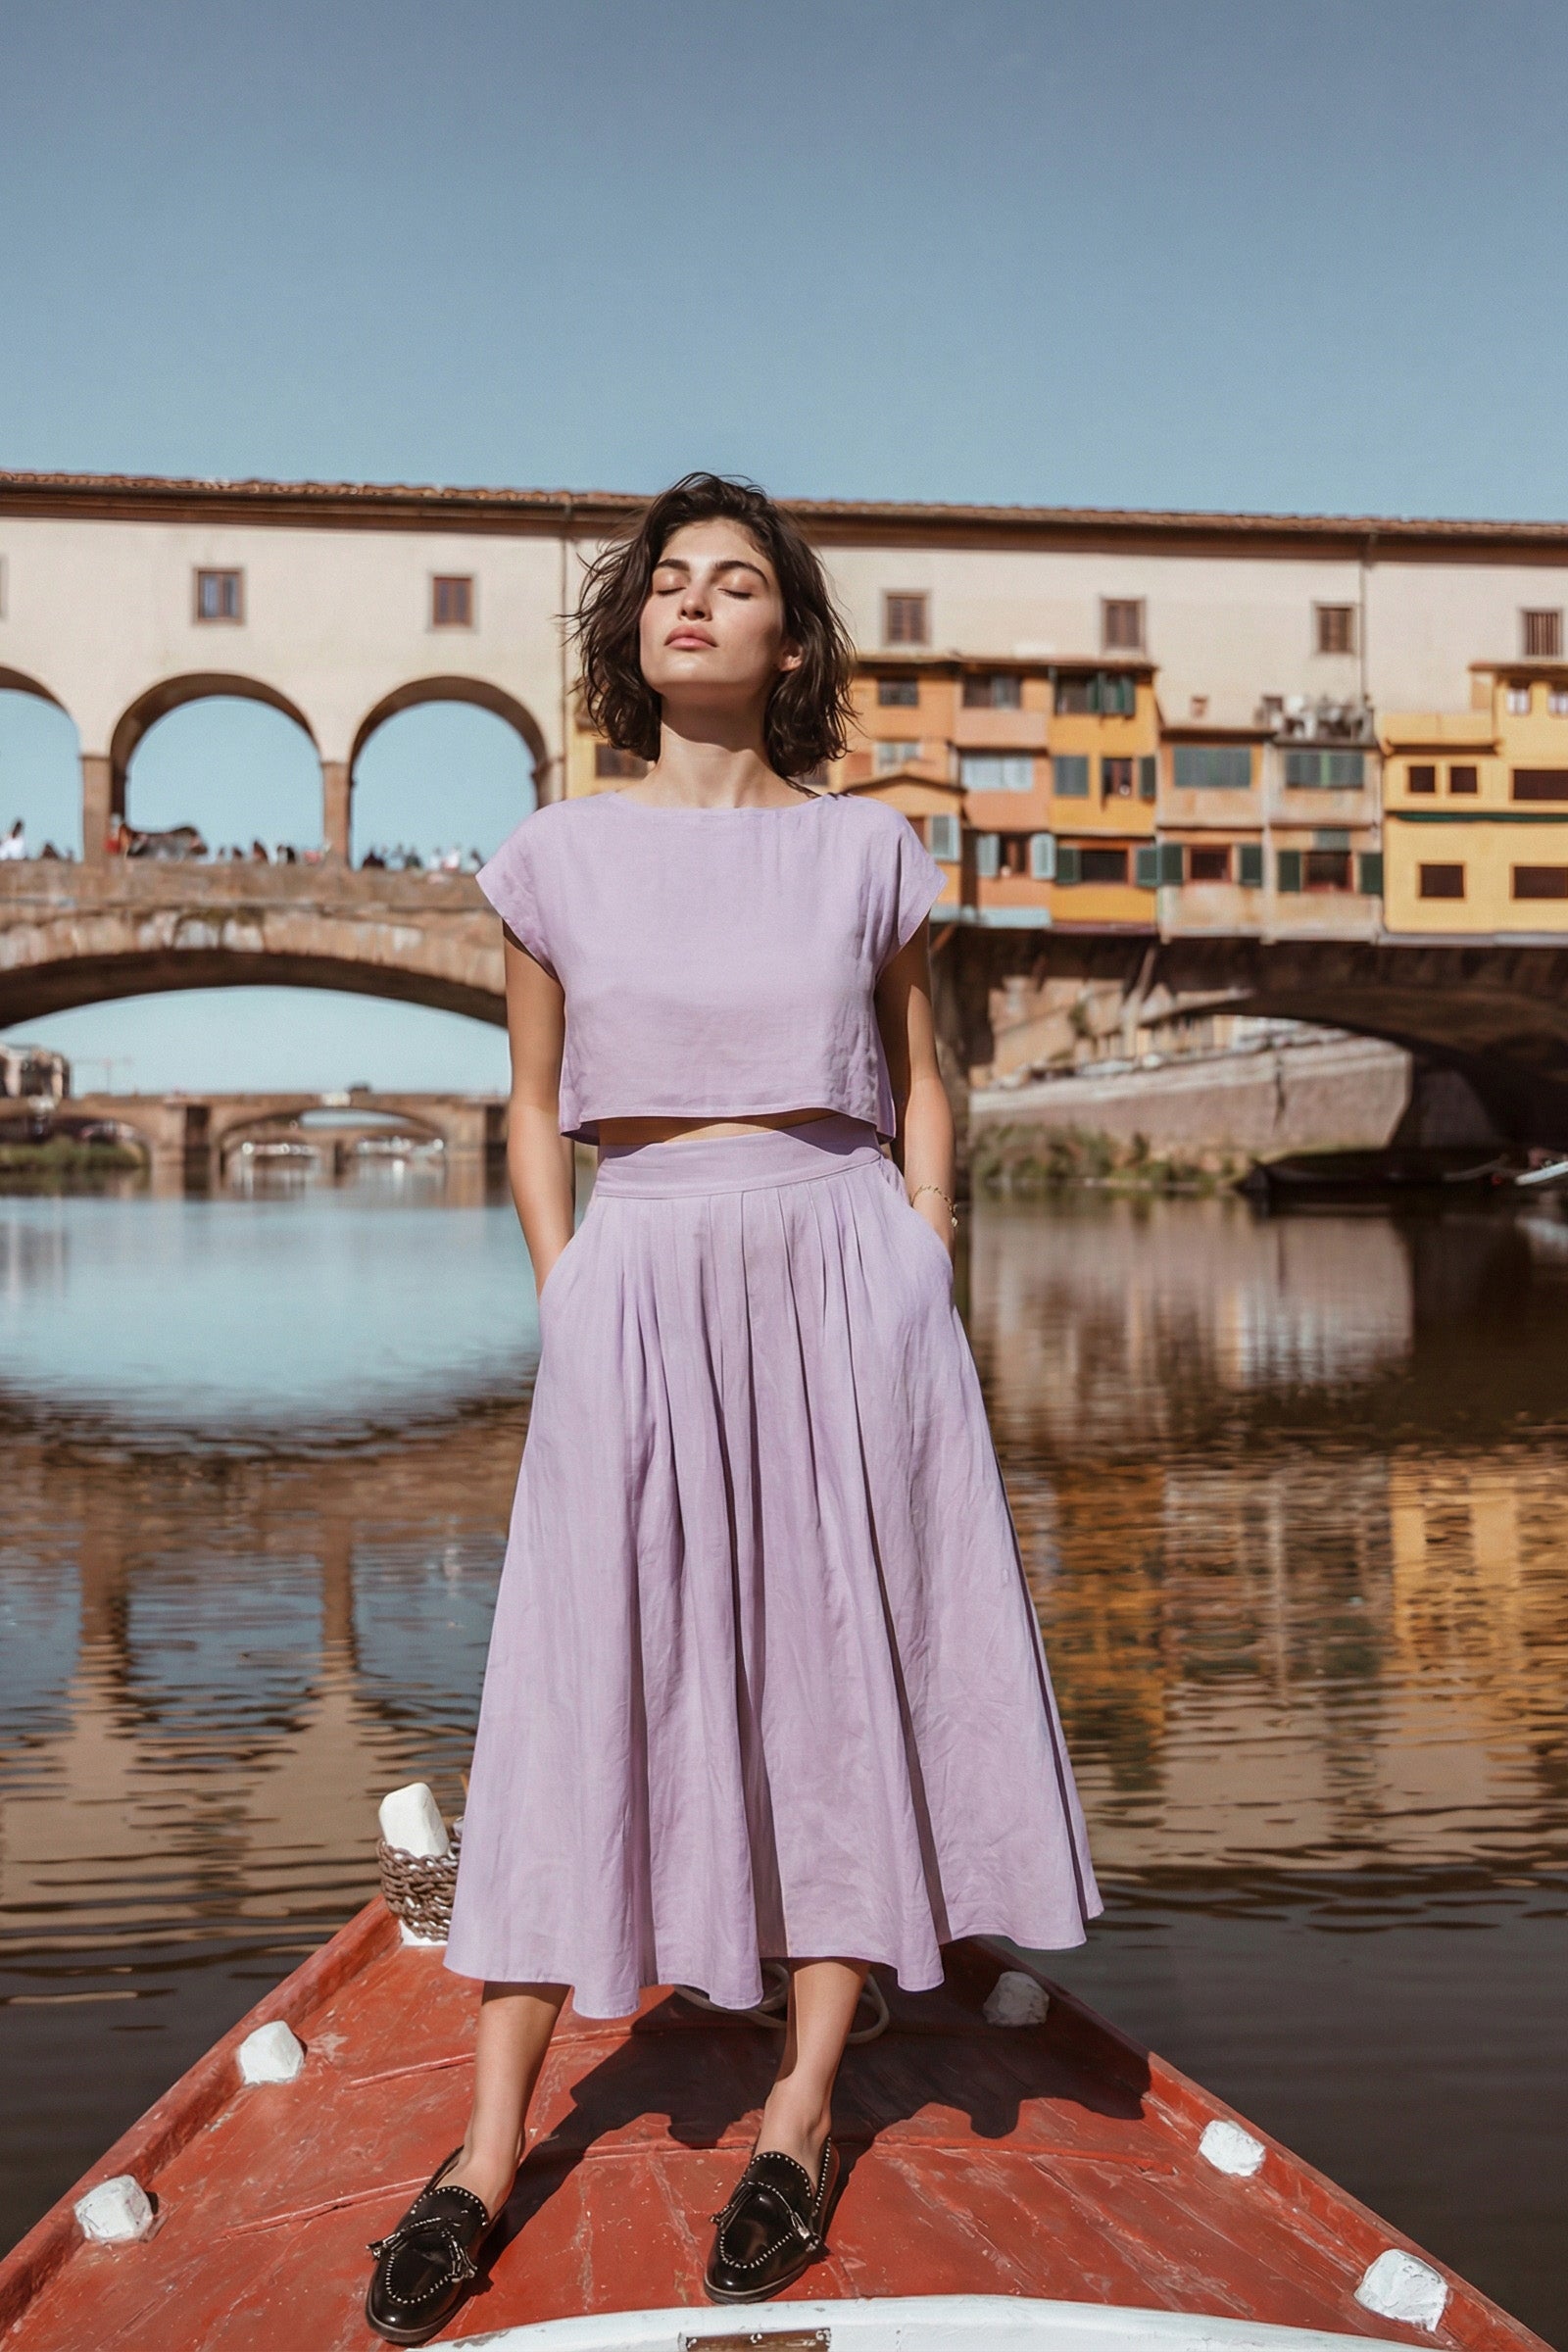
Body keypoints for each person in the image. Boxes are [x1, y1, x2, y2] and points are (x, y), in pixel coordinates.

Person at [363, 474, 1101, 2344]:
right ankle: (482, 2149)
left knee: (835, 1673)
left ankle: (795, 2110)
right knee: (574, 1676)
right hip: (645, 1265)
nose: (696, 603)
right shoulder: (553, 853)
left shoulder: (871, 853)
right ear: (635, 634)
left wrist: (922, 1266)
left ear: (789, 639)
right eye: (668, 583)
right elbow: (532, 1105)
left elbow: (926, 1083)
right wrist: (566, 1281)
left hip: (845, 1271)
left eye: (737, 582)